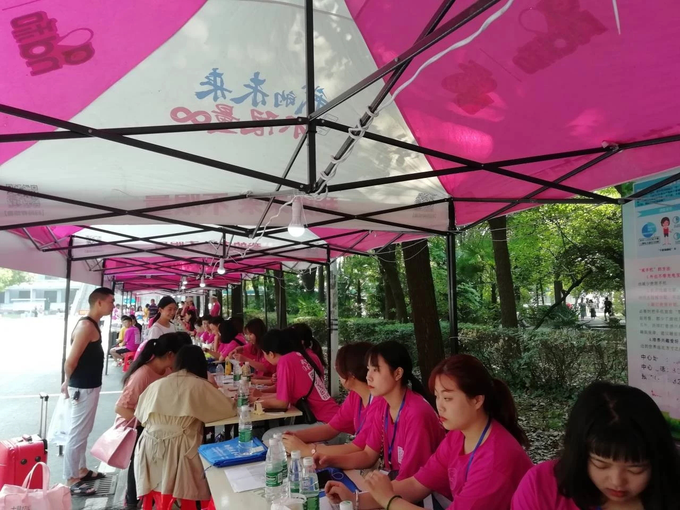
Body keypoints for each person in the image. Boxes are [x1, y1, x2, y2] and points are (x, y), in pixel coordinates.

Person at [327, 354, 532, 510]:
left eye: (448, 398)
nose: (440, 406)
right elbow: (417, 484)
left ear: (477, 400)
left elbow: (398, 491)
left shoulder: (495, 460)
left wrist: (389, 500)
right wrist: (354, 500)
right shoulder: (458, 435)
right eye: (437, 396)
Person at [511, 381, 680, 510]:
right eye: (601, 465)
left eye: (635, 469)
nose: (617, 481)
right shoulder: (541, 486)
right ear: (581, 455)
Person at [314, 341, 444, 481]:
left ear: (398, 373)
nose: (368, 376)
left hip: (418, 490)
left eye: (376, 370)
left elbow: (412, 482)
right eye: (368, 369)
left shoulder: (417, 413)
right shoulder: (383, 404)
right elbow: (368, 456)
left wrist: (362, 495)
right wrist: (329, 460)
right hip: (394, 482)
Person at [134, 345, 237, 506]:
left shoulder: (156, 385)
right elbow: (227, 410)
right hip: (180, 448)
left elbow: (140, 416)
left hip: (148, 447)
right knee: (185, 497)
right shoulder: (198, 384)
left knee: (159, 494)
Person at [115, 333, 191, 509]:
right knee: (140, 461)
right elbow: (121, 409)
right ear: (171, 355)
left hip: (157, 426)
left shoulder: (168, 371)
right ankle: (132, 501)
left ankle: (161, 493)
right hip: (137, 427)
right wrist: (148, 422)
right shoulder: (142, 375)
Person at [61, 287, 115, 495]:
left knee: (83, 431)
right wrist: (68, 381)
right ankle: (71, 478)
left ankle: (81, 470)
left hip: (88, 386)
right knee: (77, 433)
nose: (113, 306)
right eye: (110, 302)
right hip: (82, 387)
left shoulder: (92, 325)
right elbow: (70, 361)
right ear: (99, 302)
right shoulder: (86, 326)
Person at [282, 342, 376, 457]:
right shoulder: (356, 396)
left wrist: (308, 450)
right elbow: (331, 427)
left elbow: (357, 448)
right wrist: (296, 436)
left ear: (351, 375)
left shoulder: (378, 402)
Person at [256, 329, 340, 443]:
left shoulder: (285, 361)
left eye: (263, 354)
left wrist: (256, 401)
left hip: (327, 425)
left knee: (270, 437)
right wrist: (257, 398)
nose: (263, 358)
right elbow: (282, 396)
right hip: (334, 419)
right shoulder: (298, 356)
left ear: (271, 354)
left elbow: (282, 403)